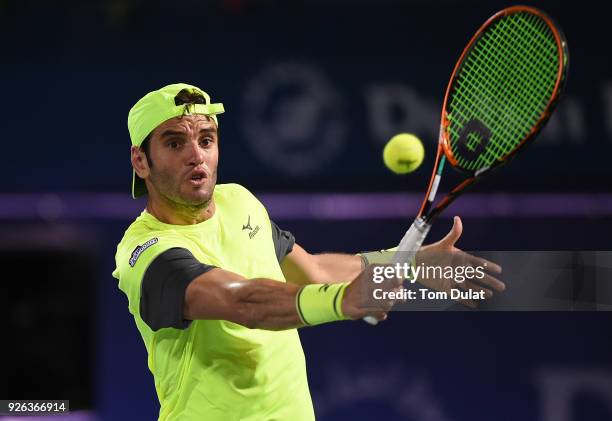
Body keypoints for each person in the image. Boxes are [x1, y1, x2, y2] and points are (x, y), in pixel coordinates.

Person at [112, 83, 504, 421]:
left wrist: (407, 261)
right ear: (140, 160)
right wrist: (342, 301)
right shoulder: (145, 252)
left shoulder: (240, 202)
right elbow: (243, 302)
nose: (196, 155)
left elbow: (312, 271)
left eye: (206, 139)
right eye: (175, 142)